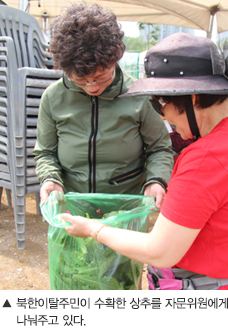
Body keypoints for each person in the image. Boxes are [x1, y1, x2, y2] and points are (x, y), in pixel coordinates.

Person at [62, 32, 228, 290]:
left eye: (160, 103)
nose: (161, 114)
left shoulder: (205, 159)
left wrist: (94, 229)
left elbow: (160, 251)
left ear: (192, 97)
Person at [33, 2, 173, 209]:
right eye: (81, 79)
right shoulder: (53, 97)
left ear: (115, 60)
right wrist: (50, 178)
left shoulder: (138, 95)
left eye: (101, 76)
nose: (92, 86)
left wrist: (156, 180)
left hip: (124, 203)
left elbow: (159, 148)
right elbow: (45, 152)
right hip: (72, 202)